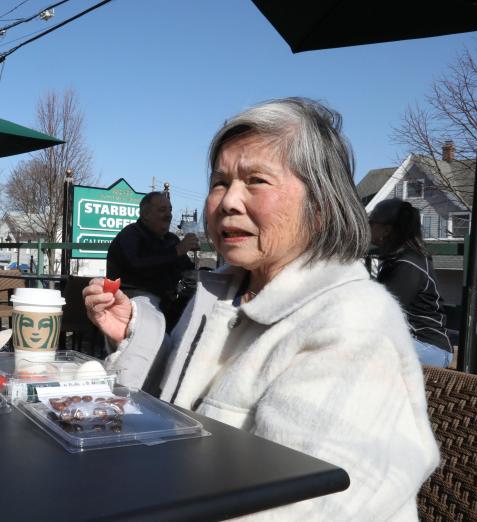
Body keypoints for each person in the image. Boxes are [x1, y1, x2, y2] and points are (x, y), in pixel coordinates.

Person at [84, 98, 437, 519]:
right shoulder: (227, 293)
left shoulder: (351, 323)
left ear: (320, 206)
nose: (228, 201)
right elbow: (175, 409)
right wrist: (134, 333)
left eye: (256, 181)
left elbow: (294, 506)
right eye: (220, 182)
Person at [369, 198, 454, 367]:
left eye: (371, 222)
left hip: (431, 348)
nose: (367, 226)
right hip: (417, 343)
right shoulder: (400, 259)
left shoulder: (408, 265)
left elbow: (380, 314)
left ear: (386, 229)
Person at [105, 192, 199, 328]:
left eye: (170, 210)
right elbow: (137, 264)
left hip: (167, 304)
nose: (169, 215)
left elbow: (186, 271)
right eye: (162, 210)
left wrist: (201, 274)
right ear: (145, 214)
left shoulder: (171, 239)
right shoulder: (130, 235)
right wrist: (177, 251)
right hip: (132, 302)